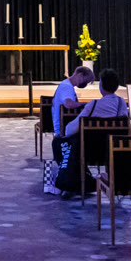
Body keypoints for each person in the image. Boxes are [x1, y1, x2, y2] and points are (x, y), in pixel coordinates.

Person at [44, 66, 95, 197]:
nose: (85, 84)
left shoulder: (66, 86)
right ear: (80, 75)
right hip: (63, 132)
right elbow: (69, 104)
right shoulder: (66, 87)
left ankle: (79, 180)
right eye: (86, 81)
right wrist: (85, 104)